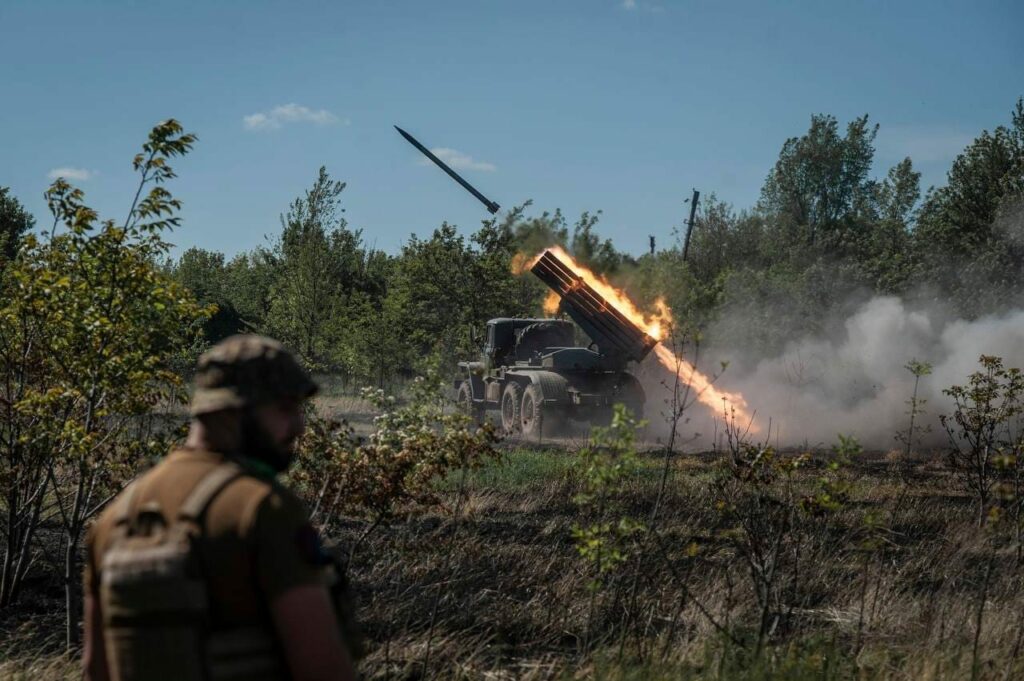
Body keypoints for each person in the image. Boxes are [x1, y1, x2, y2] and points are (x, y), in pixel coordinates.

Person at [82, 335, 357, 681]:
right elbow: (322, 669)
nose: (300, 426)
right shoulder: (261, 507)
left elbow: (97, 668)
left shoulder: (115, 518)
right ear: (232, 412)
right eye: (285, 409)